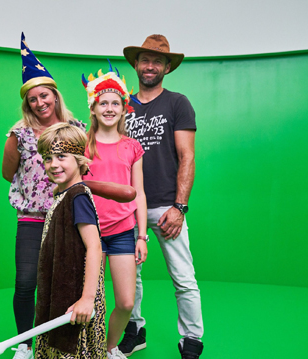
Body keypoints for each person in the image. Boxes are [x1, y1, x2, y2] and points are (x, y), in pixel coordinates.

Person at [118, 34, 204, 359]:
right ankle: (135, 330)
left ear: (167, 67)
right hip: (128, 207)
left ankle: (192, 339)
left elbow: (187, 156)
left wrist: (179, 207)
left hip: (167, 206)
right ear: (136, 64)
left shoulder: (177, 103)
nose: (150, 65)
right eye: (145, 59)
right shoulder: (121, 105)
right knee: (130, 276)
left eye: (157, 60)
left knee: (183, 278)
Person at [2, 33, 85, 359]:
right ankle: (25, 342)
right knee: (26, 283)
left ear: (55, 95)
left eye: (44, 95)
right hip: (32, 218)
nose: (40, 102)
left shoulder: (76, 127)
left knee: (64, 283)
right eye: (33, 98)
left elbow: (84, 169)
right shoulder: (19, 133)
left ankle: (58, 343)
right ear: (27, 103)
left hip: (68, 216)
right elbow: (8, 174)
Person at [81, 65, 148, 359]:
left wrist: (142, 235)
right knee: (86, 302)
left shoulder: (132, 147)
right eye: (103, 103)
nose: (109, 108)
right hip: (87, 233)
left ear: (124, 109)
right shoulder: (81, 145)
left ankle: (109, 348)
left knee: (125, 302)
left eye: (115, 103)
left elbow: (139, 192)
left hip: (123, 231)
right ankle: (86, 350)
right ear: (93, 108)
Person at [34, 122, 106, 359]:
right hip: (60, 289)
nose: (53, 164)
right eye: (47, 158)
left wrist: (86, 299)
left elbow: (94, 247)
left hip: (76, 296)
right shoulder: (65, 194)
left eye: (61, 156)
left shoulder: (77, 197)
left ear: (78, 158)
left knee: (72, 347)